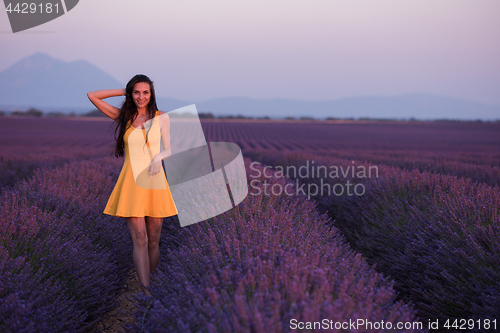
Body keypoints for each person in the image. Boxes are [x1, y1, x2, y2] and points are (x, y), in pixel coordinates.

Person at [87, 74, 177, 297]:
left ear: (151, 94)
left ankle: (152, 284)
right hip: (132, 182)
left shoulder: (162, 117)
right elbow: (92, 96)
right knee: (140, 238)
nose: (141, 97)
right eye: (136, 92)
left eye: (145, 92)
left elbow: (170, 148)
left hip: (155, 181)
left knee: (154, 240)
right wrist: (124, 90)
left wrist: (159, 158)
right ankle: (146, 293)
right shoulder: (124, 117)